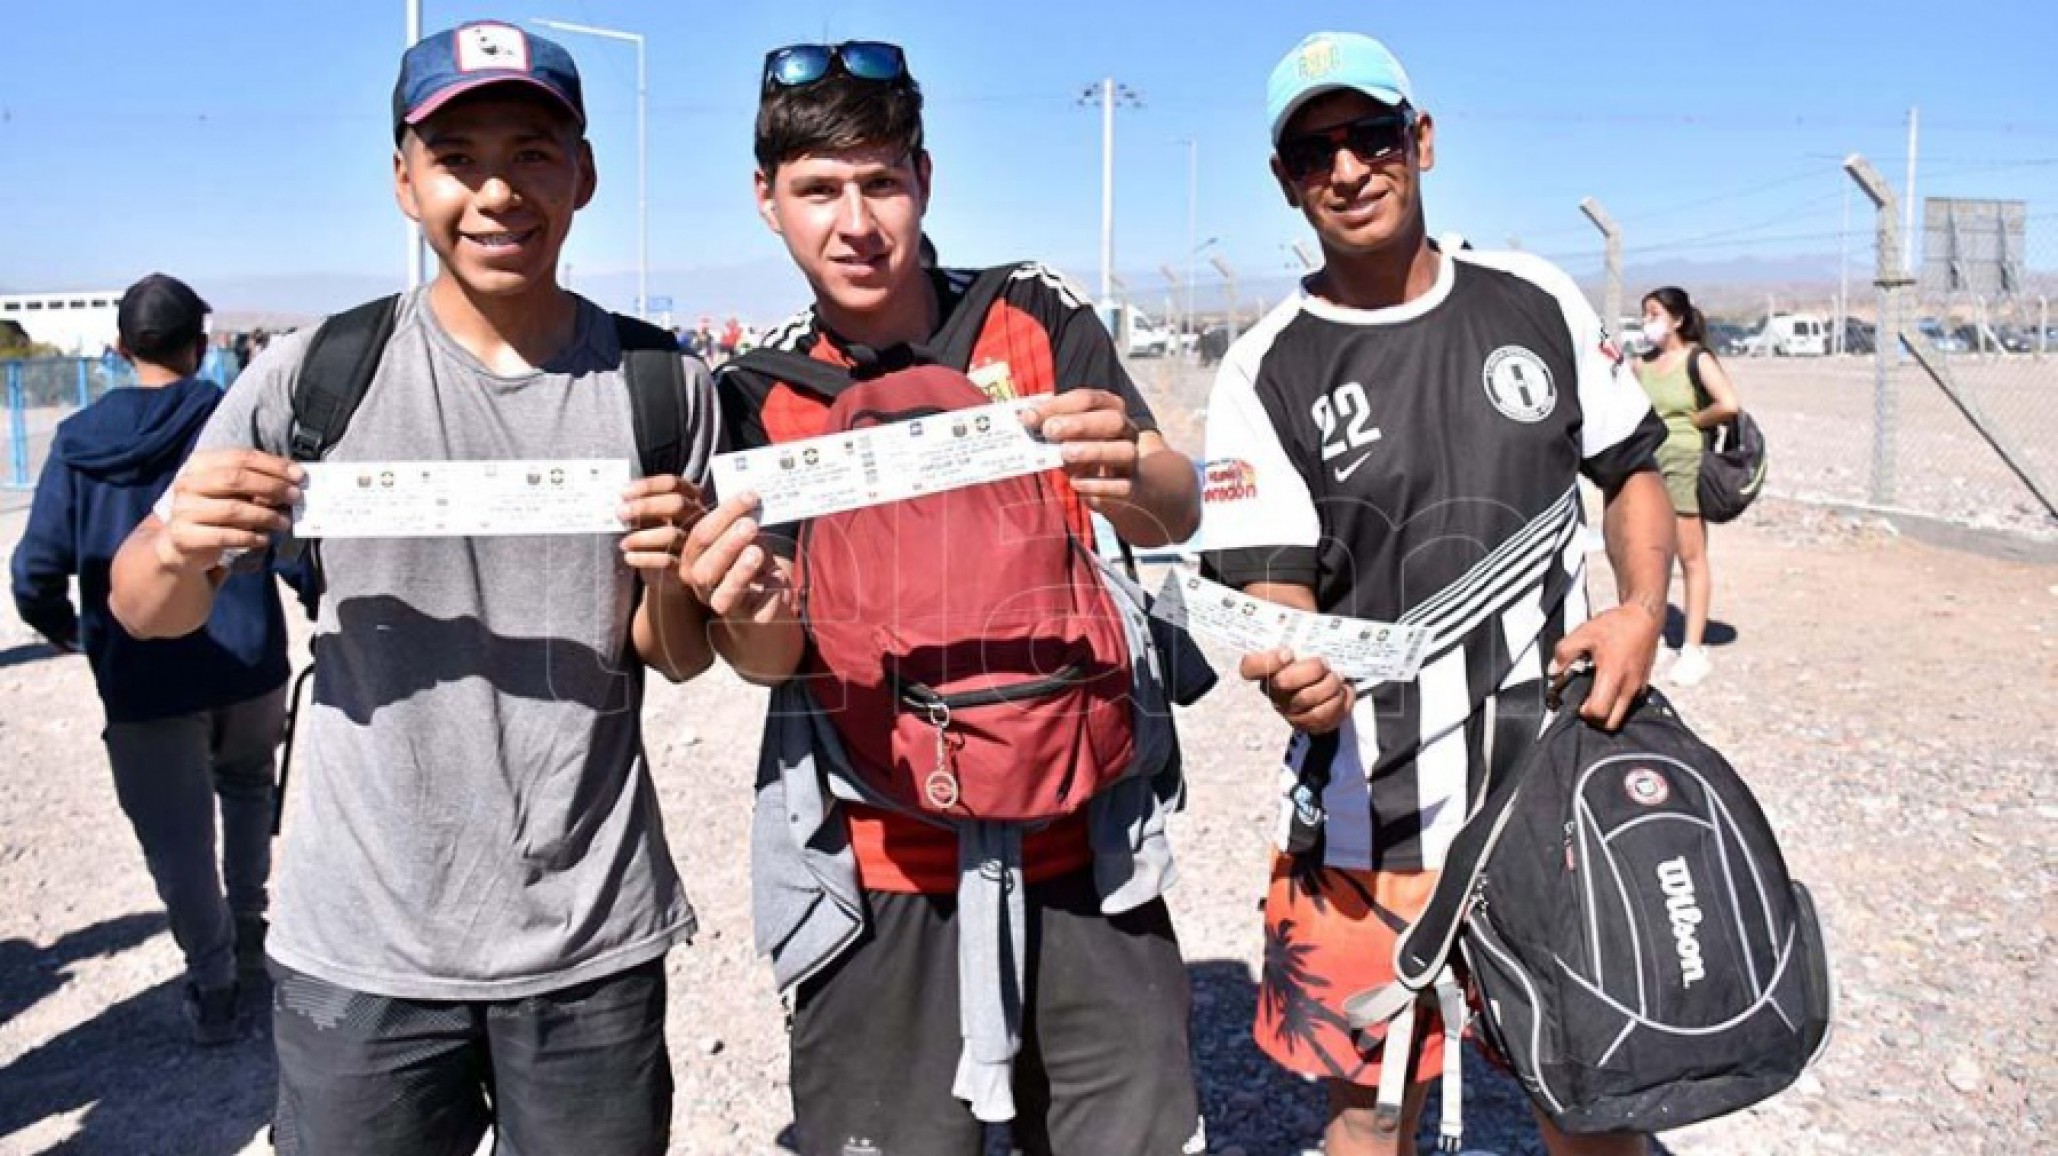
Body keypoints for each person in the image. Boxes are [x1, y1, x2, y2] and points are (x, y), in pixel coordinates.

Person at [108, 22, 779, 1153]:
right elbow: (142, 608)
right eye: (457, 157)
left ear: (584, 173)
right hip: (358, 948)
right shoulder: (314, 372)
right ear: (404, 182)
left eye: (532, 152)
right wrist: (179, 546)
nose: (497, 192)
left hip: (589, 945)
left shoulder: (667, 386)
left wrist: (687, 583)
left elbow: (672, 649)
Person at [710, 38, 1205, 1156]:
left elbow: (1174, 512)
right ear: (767, 201)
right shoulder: (751, 393)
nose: (855, 221)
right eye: (818, 190)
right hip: (885, 871)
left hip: (1087, 854)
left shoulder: (1030, 312)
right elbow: (765, 656)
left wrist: (1130, 466)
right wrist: (739, 597)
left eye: (880, 181)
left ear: (923, 179)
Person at [1199, 32, 1674, 1156]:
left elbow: (1633, 474)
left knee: (1593, 1107)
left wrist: (1641, 610)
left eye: (1370, 137)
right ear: (1285, 182)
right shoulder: (1266, 367)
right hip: (1374, 819)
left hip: (1556, 800)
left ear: (1421, 140)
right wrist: (1300, 681)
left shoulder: (1534, 298)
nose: (1349, 171)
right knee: (1368, 1118)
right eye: (1315, 154)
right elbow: (1278, 594)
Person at [11, 272, 295, 1046]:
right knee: (245, 791)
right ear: (201, 349)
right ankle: (249, 935)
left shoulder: (77, 439)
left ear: (117, 350)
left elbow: (36, 564)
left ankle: (212, 983)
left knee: (174, 835)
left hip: (140, 672)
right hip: (246, 659)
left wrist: (64, 626)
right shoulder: (233, 424)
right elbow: (292, 536)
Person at [1633, 286, 1740, 688]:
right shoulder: (1642, 365)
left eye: (1655, 313)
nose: (1648, 322)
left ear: (1677, 319)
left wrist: (1696, 422)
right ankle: (1654, 632)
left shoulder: (1696, 359)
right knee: (1651, 555)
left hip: (1685, 465)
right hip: (1647, 466)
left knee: (1690, 557)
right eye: (1645, 314)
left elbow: (1729, 403)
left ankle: (1693, 649)